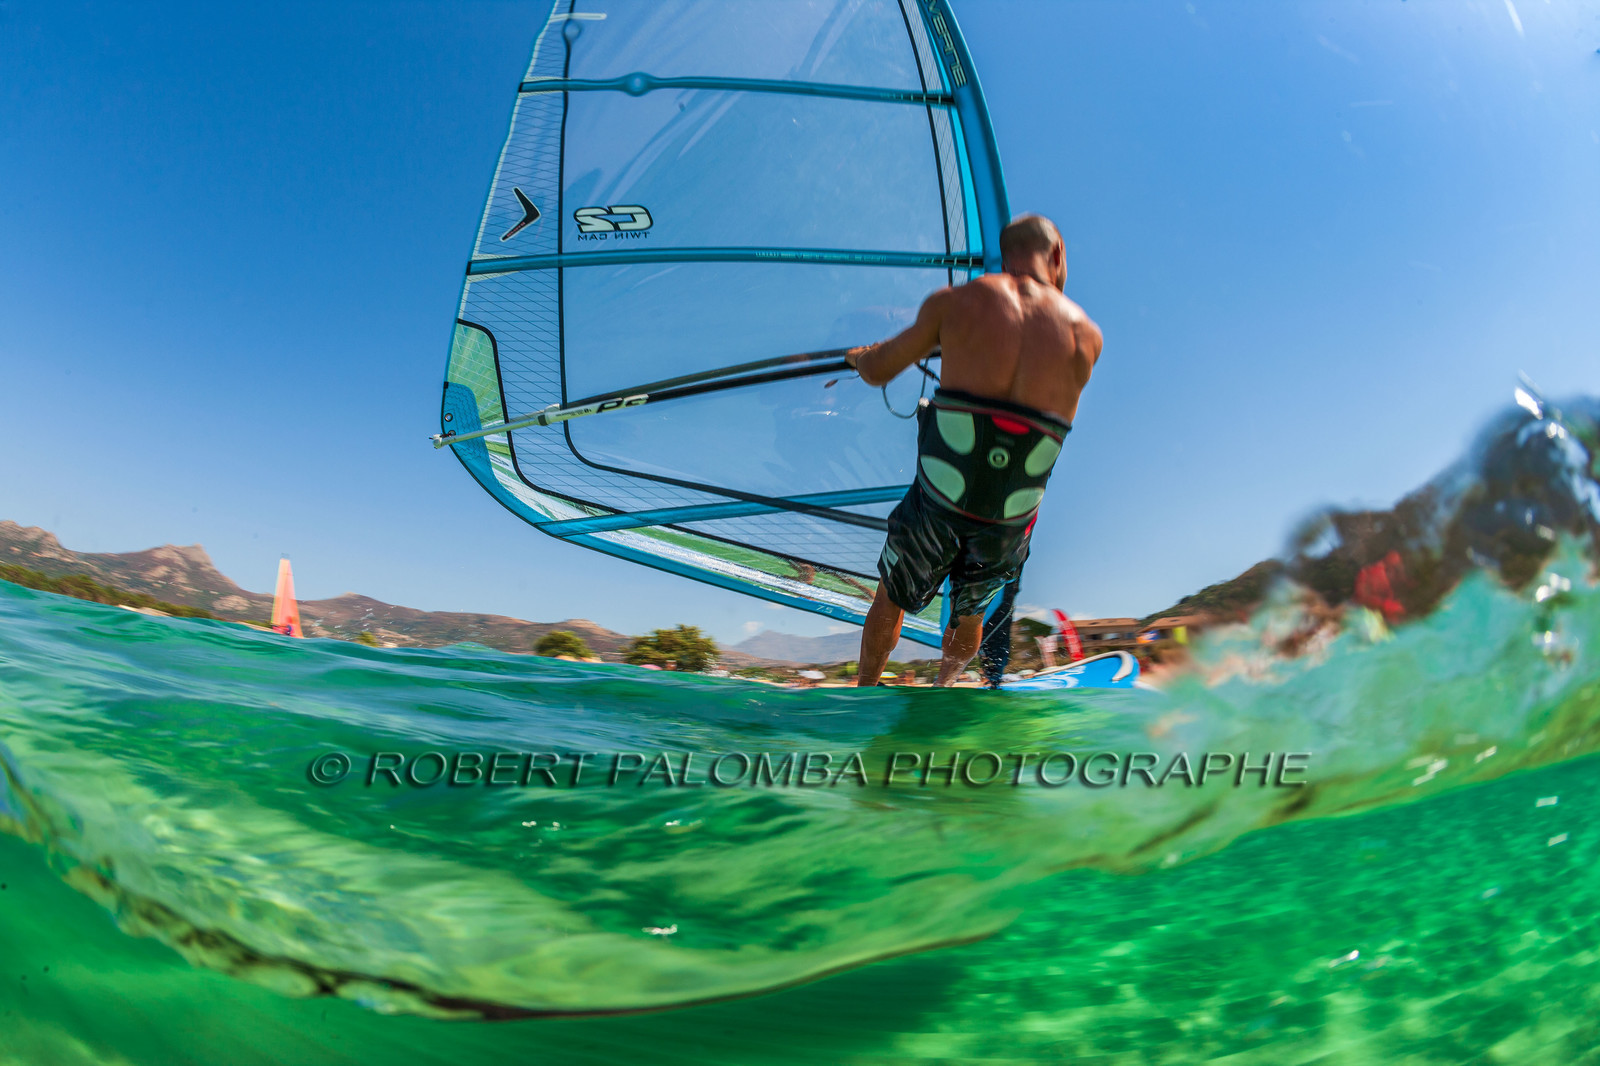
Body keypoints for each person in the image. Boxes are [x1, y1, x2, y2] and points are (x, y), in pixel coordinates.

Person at [847, 214, 1102, 686]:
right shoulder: (1087, 337)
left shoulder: (955, 305)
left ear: (1004, 254)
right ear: (1058, 255)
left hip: (940, 502)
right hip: (1007, 518)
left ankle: (863, 693)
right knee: (971, 614)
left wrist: (861, 356)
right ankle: (945, 688)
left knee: (892, 596)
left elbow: (879, 370)